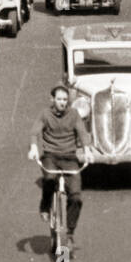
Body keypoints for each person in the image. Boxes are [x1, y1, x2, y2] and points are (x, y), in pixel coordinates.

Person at [27, 84, 92, 252]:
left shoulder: (74, 114)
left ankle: (68, 233)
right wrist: (34, 148)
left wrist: (87, 150)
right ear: (52, 100)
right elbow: (34, 132)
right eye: (59, 99)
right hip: (51, 156)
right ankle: (45, 205)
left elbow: (83, 134)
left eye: (65, 99)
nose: (62, 102)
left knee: (76, 197)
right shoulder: (45, 114)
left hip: (69, 157)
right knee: (48, 179)